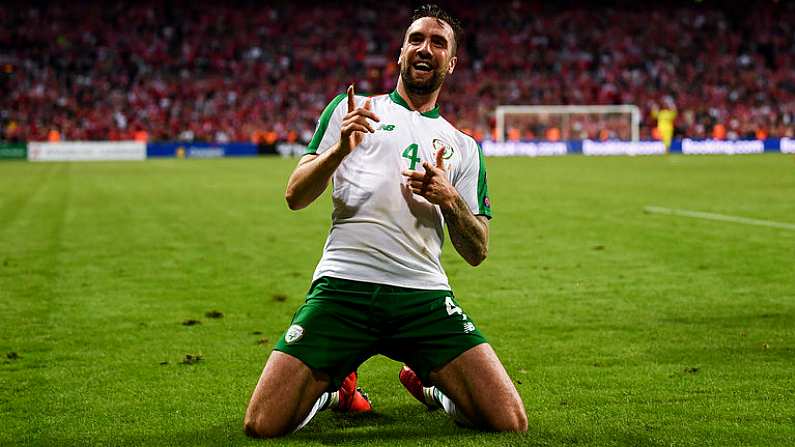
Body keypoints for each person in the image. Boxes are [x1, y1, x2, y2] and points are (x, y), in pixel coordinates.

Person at [244, 4, 527, 438]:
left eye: (438, 42)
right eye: (416, 39)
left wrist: (450, 200)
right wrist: (339, 149)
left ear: (450, 63)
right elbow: (294, 196)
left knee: (509, 421)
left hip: (423, 296)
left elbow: (477, 251)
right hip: (344, 288)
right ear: (400, 53)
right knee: (262, 424)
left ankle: (431, 388)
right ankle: (334, 390)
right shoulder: (352, 109)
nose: (424, 48)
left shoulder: (463, 147)